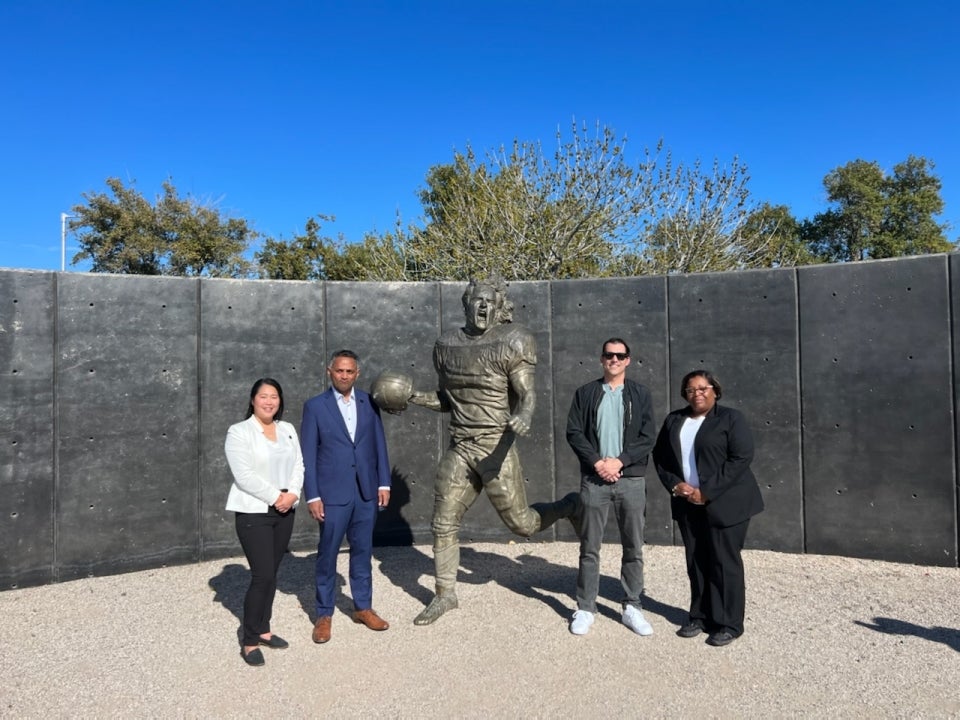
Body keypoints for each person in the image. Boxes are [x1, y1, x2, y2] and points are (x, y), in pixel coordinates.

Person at [407, 276, 581, 626]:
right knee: (442, 521)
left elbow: (526, 392)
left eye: (490, 301)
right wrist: (412, 397)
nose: (483, 306)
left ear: (499, 306)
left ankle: (570, 506)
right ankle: (445, 595)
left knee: (524, 525)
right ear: (466, 303)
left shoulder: (513, 340)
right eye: (477, 301)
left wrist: (524, 414)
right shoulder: (446, 345)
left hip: (494, 448)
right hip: (461, 446)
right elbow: (448, 400)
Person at [652, 369, 764, 647]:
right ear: (684, 394)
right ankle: (700, 616)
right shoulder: (675, 419)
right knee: (697, 561)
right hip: (688, 504)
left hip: (726, 503)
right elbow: (661, 457)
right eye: (691, 389)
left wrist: (706, 492)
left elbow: (741, 458)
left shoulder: (730, 419)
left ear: (715, 390)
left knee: (724, 563)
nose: (697, 394)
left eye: (703, 388)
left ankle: (728, 623)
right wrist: (676, 486)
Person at [565, 338, 657, 636]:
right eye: (609, 355)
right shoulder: (586, 393)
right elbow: (574, 432)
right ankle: (586, 607)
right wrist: (597, 463)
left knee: (633, 546)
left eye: (620, 355)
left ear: (628, 360)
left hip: (630, 479)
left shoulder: (640, 394)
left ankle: (632, 605)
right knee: (589, 546)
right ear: (601, 359)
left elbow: (647, 437)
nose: (614, 360)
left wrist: (620, 462)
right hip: (594, 479)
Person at [300, 350, 392, 644]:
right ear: (330, 371)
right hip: (332, 494)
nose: (344, 376)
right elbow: (308, 455)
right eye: (339, 371)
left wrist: (384, 484)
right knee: (327, 555)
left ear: (357, 374)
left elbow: (379, 445)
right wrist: (312, 495)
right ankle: (324, 614)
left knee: (362, 551)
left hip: (365, 492)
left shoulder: (369, 403)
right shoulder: (315, 407)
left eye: (349, 371)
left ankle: (363, 607)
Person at [224, 378, 304, 667]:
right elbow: (243, 475)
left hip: (285, 510)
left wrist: (292, 494)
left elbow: (299, 465)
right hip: (254, 511)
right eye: (263, 396)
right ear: (253, 399)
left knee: (273, 573)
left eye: (274, 397)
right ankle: (248, 640)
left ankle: (264, 628)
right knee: (262, 576)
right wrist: (275, 496)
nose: (269, 401)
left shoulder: (287, 430)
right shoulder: (239, 432)